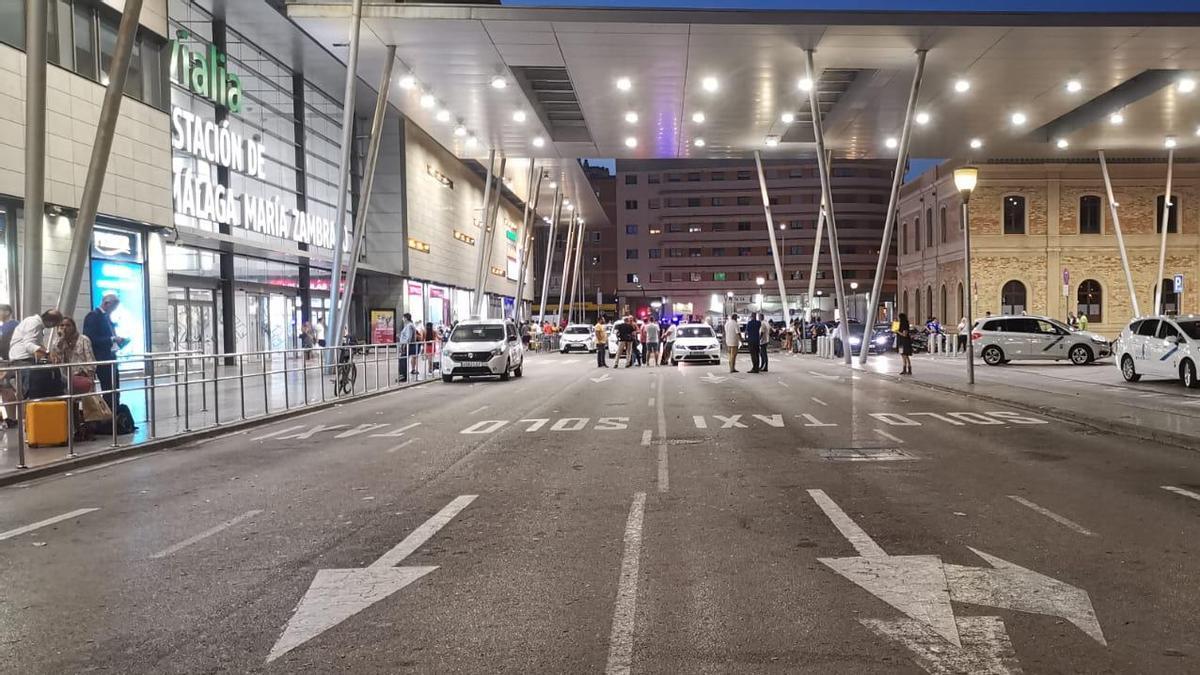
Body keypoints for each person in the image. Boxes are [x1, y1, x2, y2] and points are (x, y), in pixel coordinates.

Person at [83, 294, 128, 409]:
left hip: (110, 357)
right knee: (108, 389)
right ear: (107, 303)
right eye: (113, 307)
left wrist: (117, 340)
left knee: (114, 389)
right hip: (101, 359)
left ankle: (115, 415)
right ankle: (109, 416)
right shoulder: (93, 316)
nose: (114, 310)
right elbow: (90, 338)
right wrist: (111, 339)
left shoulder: (106, 317)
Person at [397, 313, 415, 382]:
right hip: (406, 345)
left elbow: (408, 337)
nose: (402, 319)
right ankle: (402, 376)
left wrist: (404, 345)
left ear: (406, 318)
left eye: (403, 318)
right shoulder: (409, 325)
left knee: (402, 360)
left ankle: (403, 376)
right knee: (402, 360)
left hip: (406, 346)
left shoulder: (409, 326)